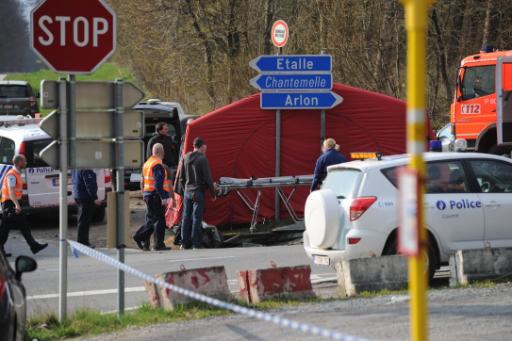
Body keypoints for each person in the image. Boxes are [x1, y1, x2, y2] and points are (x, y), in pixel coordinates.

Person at [0, 155, 47, 255]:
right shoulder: (12, 175)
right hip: (10, 204)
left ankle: (33, 246)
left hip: (11, 204)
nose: (26, 163)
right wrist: (17, 205)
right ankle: (34, 246)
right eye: (24, 161)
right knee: (20, 226)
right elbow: (11, 192)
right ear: (19, 162)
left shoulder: (16, 173)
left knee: (7, 228)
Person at [178, 137, 216, 249]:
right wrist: (213, 194)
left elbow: (181, 178)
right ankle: (196, 243)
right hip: (197, 191)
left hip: (187, 191)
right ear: (202, 147)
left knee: (185, 217)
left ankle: (184, 243)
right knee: (196, 218)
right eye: (205, 148)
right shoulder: (202, 159)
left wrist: (185, 191)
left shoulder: (185, 157)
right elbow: (208, 178)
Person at [133, 143, 171, 251]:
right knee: (158, 220)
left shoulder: (147, 163)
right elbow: (158, 183)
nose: (164, 153)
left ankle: (152, 242)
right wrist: (164, 197)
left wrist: (143, 193)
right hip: (155, 196)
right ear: (160, 152)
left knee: (152, 219)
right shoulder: (157, 164)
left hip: (148, 194)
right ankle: (142, 238)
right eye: (163, 151)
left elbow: (143, 180)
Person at [72, 169, 102, 247]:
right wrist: (94, 198)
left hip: (78, 195)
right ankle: (83, 242)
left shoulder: (76, 167)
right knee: (84, 221)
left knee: (82, 220)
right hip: (85, 197)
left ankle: (82, 242)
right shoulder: (86, 168)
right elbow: (89, 184)